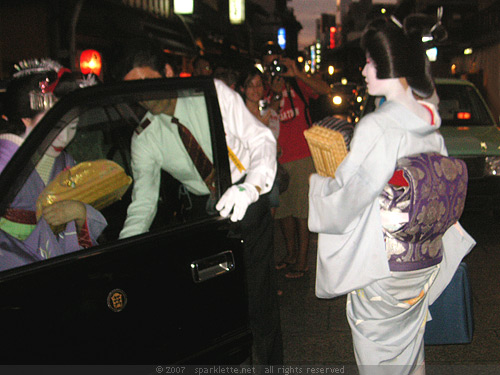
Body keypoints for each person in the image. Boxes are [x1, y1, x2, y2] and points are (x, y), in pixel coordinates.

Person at [308, 16, 476, 374]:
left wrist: (320, 185)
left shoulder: (379, 125)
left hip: (384, 263)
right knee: (410, 345)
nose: (364, 70)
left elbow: (347, 200)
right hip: (425, 260)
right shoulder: (428, 119)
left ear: (391, 65)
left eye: (370, 61)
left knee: (377, 353)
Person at [114, 44, 283, 365]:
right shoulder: (146, 137)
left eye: (147, 81)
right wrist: (125, 254)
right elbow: (143, 203)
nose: (144, 95)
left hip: (248, 194)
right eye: (134, 90)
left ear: (167, 73)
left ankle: (271, 365)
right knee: (216, 306)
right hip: (206, 211)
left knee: (259, 302)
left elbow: (260, 138)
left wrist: (250, 188)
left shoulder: (211, 94)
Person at [0, 59, 107, 271]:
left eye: (73, 126)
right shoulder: (6, 156)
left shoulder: (68, 165)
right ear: (25, 119)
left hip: (53, 263)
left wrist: (79, 212)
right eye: (56, 126)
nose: (64, 138)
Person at [261, 41, 330, 278]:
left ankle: (302, 261)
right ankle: (290, 254)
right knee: (283, 212)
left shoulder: (298, 83)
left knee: (302, 211)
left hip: (303, 155)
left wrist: (298, 73)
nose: (275, 71)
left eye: (277, 65)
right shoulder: (262, 89)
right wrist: (275, 92)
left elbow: (325, 90)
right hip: (277, 158)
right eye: (269, 66)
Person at [238, 68, 281, 214]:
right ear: (242, 89)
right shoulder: (238, 117)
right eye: (250, 85)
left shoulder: (271, 114)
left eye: (259, 85)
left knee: (269, 217)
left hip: (268, 173)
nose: (255, 90)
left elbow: (276, 147)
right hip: (247, 175)